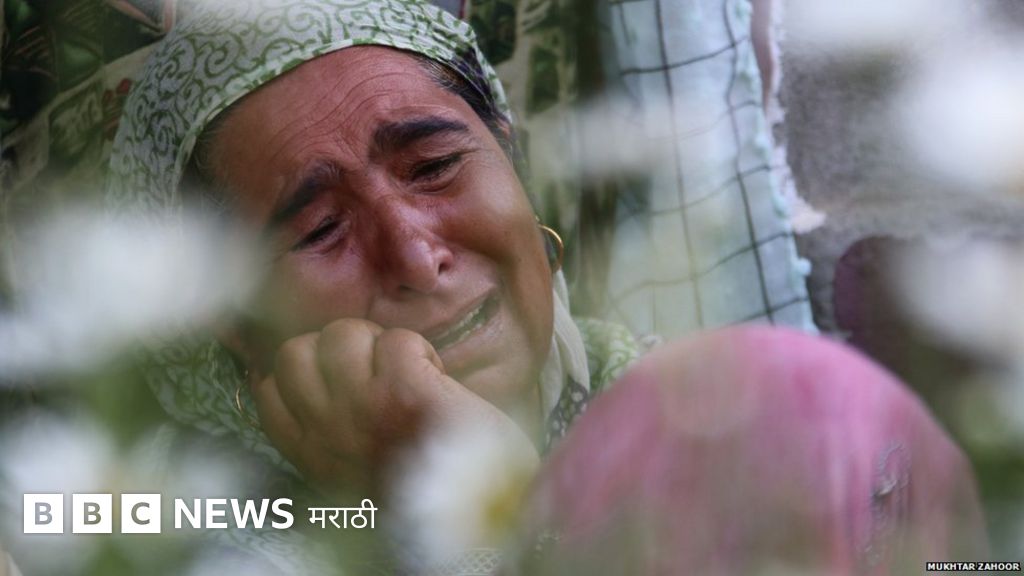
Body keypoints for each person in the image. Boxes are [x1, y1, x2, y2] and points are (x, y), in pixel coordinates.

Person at [106, 0, 987, 572]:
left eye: (435, 166)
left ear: (515, 165)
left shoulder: (755, 412)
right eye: (319, 230)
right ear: (227, 322)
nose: (414, 255)